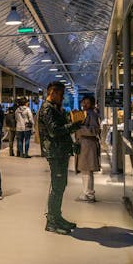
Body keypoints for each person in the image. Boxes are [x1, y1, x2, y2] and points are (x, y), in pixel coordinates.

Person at [38, 81, 83, 235]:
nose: (62, 98)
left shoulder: (55, 108)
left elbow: (61, 129)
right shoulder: (47, 109)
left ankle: (57, 216)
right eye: (61, 95)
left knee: (60, 185)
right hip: (55, 153)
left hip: (60, 151)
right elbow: (54, 131)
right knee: (57, 186)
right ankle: (52, 221)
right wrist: (74, 126)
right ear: (53, 93)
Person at [75, 96, 101, 203]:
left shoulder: (92, 114)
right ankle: (87, 192)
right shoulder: (84, 114)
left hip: (88, 145)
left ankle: (89, 194)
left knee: (87, 170)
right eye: (83, 102)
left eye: (87, 102)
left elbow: (95, 130)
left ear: (92, 104)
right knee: (85, 170)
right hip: (84, 145)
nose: (84, 104)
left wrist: (79, 128)